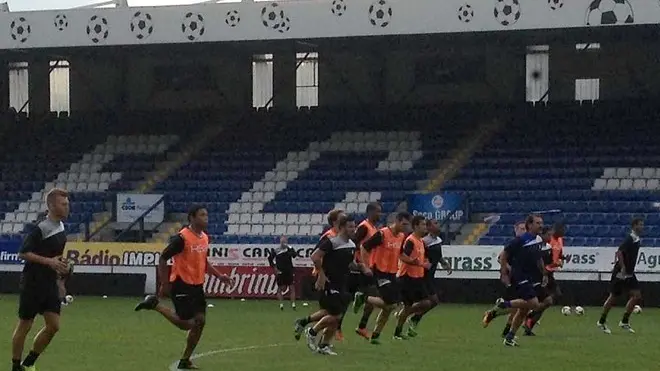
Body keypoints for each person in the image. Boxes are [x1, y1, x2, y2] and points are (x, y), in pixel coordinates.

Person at [134, 205, 232, 370]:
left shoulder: (204, 238)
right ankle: (155, 304)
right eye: (202, 215)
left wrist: (219, 276)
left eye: (206, 214)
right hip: (181, 284)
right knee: (186, 324)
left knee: (200, 322)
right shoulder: (181, 239)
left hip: (197, 286)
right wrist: (165, 283)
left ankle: (185, 360)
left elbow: (203, 260)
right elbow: (163, 258)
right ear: (192, 218)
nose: (206, 218)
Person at [12, 188, 71, 371]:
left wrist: (61, 277)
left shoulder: (61, 227)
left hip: (49, 283)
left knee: (53, 326)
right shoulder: (41, 228)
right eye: (64, 204)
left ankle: (29, 363)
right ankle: (15, 366)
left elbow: (56, 258)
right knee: (25, 324)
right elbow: (23, 253)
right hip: (33, 282)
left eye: (68, 204)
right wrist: (50, 262)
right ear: (52, 206)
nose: (67, 207)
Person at [482, 214, 546, 347]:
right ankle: (503, 305)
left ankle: (509, 337)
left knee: (524, 309)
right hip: (520, 276)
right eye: (538, 223)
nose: (541, 225)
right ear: (530, 225)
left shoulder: (538, 240)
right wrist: (504, 272)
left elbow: (539, 257)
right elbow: (504, 255)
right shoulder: (520, 240)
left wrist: (543, 272)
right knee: (533, 303)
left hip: (531, 277)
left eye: (541, 223)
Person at [302, 214, 361, 355]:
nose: (354, 229)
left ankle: (324, 345)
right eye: (350, 226)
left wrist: (360, 267)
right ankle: (312, 331)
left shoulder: (352, 245)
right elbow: (315, 256)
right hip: (330, 282)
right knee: (335, 315)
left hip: (342, 283)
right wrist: (321, 275)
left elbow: (349, 263)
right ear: (341, 227)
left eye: (354, 226)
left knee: (336, 317)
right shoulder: (332, 242)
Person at [354, 211, 412, 344]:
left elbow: (401, 254)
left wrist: (414, 262)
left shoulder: (402, 236)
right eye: (403, 224)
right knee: (390, 304)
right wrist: (366, 266)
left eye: (407, 225)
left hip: (392, 273)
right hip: (380, 272)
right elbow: (364, 247)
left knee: (391, 306)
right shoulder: (382, 234)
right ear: (396, 220)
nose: (405, 227)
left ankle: (376, 335)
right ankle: (364, 298)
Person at [597, 217, 644, 334]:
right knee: (614, 296)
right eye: (640, 225)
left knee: (636, 295)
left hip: (629, 273)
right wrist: (622, 267)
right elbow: (619, 252)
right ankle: (601, 322)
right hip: (621, 272)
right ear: (634, 226)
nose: (642, 227)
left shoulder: (636, 238)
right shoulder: (630, 238)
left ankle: (624, 321)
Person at [407, 218, 452, 336]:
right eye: (435, 223)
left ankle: (412, 316)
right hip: (423, 275)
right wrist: (424, 262)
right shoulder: (424, 241)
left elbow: (438, 255)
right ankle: (407, 314)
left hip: (430, 276)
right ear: (429, 227)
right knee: (431, 301)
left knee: (432, 302)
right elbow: (418, 254)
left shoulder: (438, 240)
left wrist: (444, 263)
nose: (438, 225)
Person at [393, 215, 433, 339]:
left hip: (417, 277)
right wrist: (416, 262)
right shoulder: (410, 240)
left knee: (426, 303)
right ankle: (397, 332)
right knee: (416, 304)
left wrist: (425, 262)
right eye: (423, 225)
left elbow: (421, 257)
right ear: (416, 226)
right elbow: (403, 256)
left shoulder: (420, 241)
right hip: (407, 277)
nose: (425, 227)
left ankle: (403, 317)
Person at [523, 223, 565, 335]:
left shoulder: (549, 246)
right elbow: (540, 262)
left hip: (548, 274)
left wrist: (560, 261)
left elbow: (552, 260)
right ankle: (529, 318)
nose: (550, 237)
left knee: (550, 299)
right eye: (548, 235)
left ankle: (529, 322)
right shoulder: (538, 246)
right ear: (543, 234)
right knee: (547, 300)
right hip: (541, 276)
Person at [350, 202, 381, 339]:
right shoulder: (364, 227)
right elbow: (355, 243)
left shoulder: (374, 228)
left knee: (373, 298)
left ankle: (362, 325)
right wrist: (359, 262)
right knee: (374, 296)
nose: (379, 214)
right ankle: (361, 324)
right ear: (370, 212)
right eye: (377, 212)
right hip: (364, 266)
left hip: (372, 265)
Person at [268, 235, 298, 311]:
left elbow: (294, 255)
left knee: (291, 287)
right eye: (282, 241)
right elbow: (270, 259)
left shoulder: (289, 249)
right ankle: (281, 305)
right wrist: (274, 268)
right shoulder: (276, 250)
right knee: (280, 288)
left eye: (284, 241)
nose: (283, 243)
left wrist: (290, 248)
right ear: (280, 242)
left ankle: (293, 304)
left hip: (289, 271)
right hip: (280, 271)